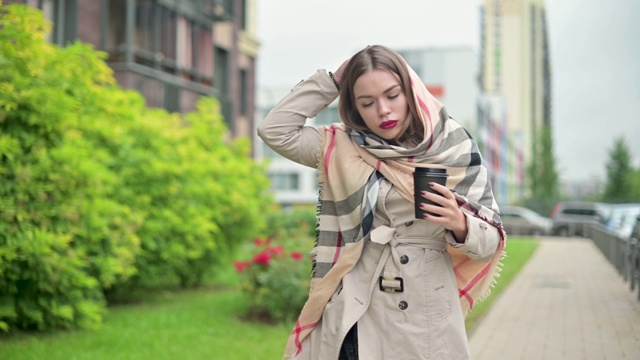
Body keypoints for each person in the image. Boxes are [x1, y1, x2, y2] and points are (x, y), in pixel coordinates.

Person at [258, 45, 506, 360]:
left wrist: (459, 222)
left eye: (392, 95)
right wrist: (333, 80)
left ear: (411, 90)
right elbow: (274, 130)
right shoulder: (342, 146)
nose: (383, 110)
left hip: (422, 317)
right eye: (367, 102)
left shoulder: (452, 146)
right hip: (354, 310)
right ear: (354, 107)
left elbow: (490, 243)